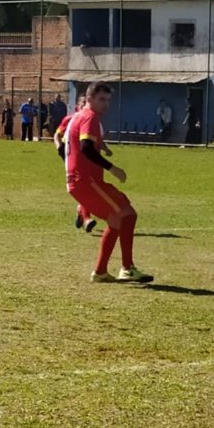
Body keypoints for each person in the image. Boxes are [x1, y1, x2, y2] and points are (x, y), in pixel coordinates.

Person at [64, 81, 153, 283]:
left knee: (116, 220)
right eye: (101, 99)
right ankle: (127, 268)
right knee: (128, 214)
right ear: (89, 99)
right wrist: (112, 168)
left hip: (80, 182)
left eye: (108, 100)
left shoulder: (79, 116)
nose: (106, 104)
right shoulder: (90, 117)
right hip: (86, 182)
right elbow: (86, 147)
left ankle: (101, 272)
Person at [55, 94, 103, 233]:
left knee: (94, 193)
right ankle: (87, 219)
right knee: (85, 190)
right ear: (78, 106)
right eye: (83, 104)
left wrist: (104, 148)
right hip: (77, 161)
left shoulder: (94, 121)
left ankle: (80, 212)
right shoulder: (70, 119)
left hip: (94, 162)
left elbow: (96, 139)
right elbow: (57, 135)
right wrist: (60, 149)